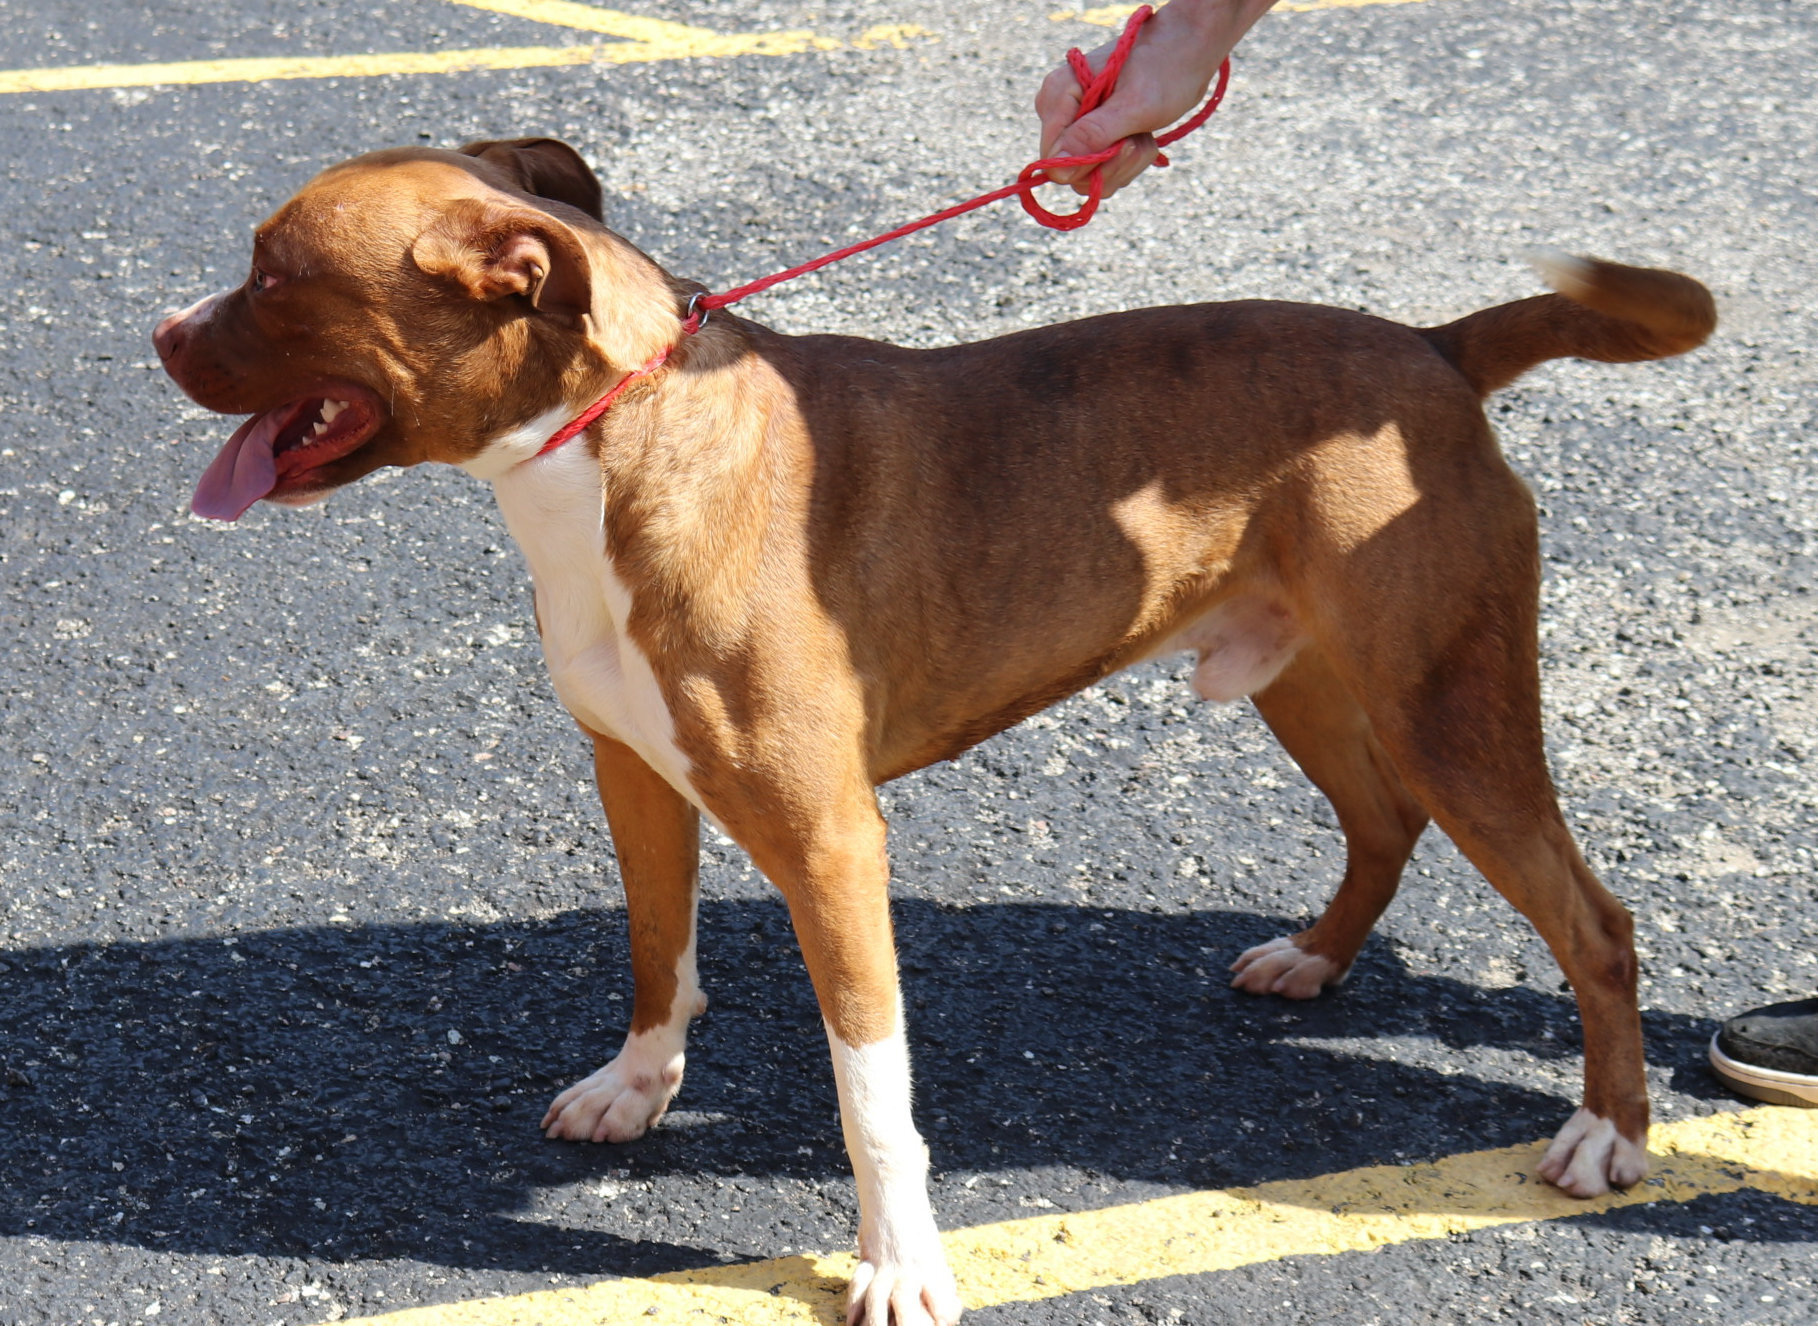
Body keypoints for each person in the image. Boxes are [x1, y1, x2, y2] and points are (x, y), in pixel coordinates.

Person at [1033, 0, 1818, 1111]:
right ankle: (1356, 905)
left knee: (1477, 777)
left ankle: (1614, 1078)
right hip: (1321, 447)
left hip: (1388, 458)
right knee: (1391, 750)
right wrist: (1183, 40)